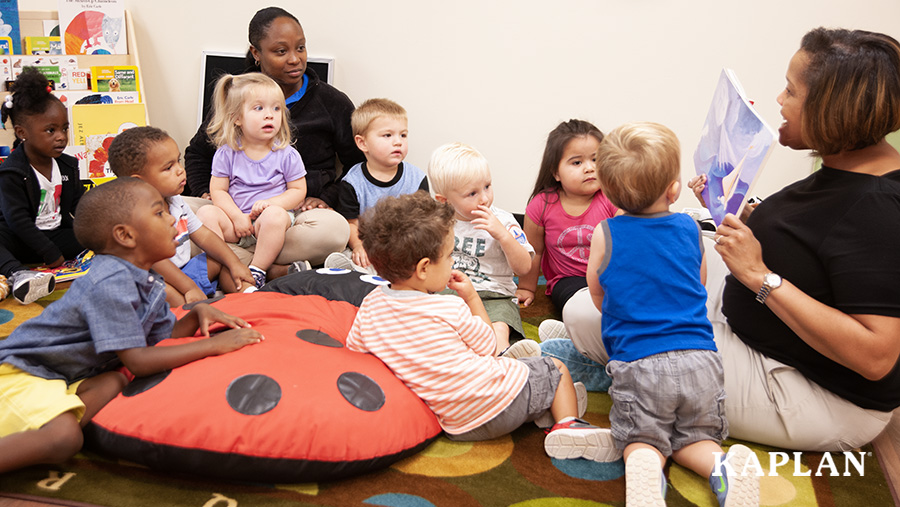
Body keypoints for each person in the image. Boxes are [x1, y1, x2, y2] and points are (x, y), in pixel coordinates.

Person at [564, 27, 900, 452]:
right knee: (670, 245)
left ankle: (640, 393)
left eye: (791, 91)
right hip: (761, 315)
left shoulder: (879, 207)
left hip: (812, 393)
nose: (779, 100)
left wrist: (760, 276)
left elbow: (876, 357)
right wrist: (732, 211)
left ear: (832, 109)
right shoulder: (853, 167)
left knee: (584, 311)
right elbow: (820, 243)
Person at [0, 177, 263, 474]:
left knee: (114, 382)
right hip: (22, 369)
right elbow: (138, 361)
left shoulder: (145, 280)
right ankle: (44, 431)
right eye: (159, 213)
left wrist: (195, 315)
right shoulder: (110, 282)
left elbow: (164, 335)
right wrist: (212, 345)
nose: (173, 219)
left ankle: (40, 424)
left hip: (62, 373)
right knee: (65, 438)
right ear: (125, 235)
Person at [345, 191, 619, 462]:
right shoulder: (449, 308)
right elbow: (488, 347)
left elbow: (354, 349)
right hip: (498, 403)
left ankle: (545, 409)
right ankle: (568, 425)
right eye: (450, 255)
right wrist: (472, 297)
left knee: (520, 371)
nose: (453, 262)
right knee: (554, 369)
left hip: (456, 424)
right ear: (424, 268)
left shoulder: (370, 305)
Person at [587, 121, 758, 505]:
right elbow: (696, 285)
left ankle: (646, 465)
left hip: (639, 363)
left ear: (608, 190)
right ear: (674, 188)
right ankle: (722, 467)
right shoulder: (689, 227)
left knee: (642, 438)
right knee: (696, 438)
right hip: (700, 359)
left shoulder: (605, 232)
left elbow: (598, 294)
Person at [184, 6, 363, 268]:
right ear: (257, 53)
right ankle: (271, 268)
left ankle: (227, 261)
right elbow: (198, 153)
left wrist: (327, 197)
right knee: (169, 211)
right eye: (281, 51)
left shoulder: (332, 102)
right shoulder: (236, 96)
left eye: (300, 48)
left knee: (336, 231)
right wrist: (207, 192)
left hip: (292, 216)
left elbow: (358, 164)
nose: (295, 59)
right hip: (232, 214)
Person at [108, 126, 256, 305]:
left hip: (185, 269)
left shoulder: (175, 201)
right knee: (161, 290)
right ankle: (192, 310)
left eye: (178, 161)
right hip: (158, 277)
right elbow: (157, 262)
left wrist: (234, 264)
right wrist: (189, 288)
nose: (180, 170)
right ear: (139, 182)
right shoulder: (135, 214)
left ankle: (249, 296)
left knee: (223, 259)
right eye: (169, 167)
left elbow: (204, 236)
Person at [195, 73, 307, 290]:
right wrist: (237, 217)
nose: (270, 116)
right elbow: (218, 191)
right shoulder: (226, 153)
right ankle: (221, 260)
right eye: (259, 109)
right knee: (205, 214)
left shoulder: (286, 154)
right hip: (236, 224)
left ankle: (257, 269)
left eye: (276, 109)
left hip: (269, 223)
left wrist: (272, 204)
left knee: (275, 216)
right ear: (237, 117)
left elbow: (298, 190)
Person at [428, 143, 534, 354]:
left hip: (494, 295)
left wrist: (503, 236)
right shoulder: (437, 222)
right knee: (436, 327)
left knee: (498, 330)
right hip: (449, 291)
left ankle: (503, 358)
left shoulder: (503, 221)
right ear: (444, 200)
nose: (484, 198)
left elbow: (524, 267)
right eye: (472, 194)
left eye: (487, 186)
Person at [515, 120, 618, 317]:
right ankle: (577, 330)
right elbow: (534, 251)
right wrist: (527, 288)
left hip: (608, 276)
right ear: (555, 172)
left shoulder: (613, 198)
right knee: (582, 309)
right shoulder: (541, 205)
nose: (589, 168)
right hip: (568, 280)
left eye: (596, 159)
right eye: (577, 162)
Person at [0, 68, 81, 304]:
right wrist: (50, 253)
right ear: (22, 132)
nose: (61, 137)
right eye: (50, 130)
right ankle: (18, 274)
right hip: (18, 238)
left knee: (97, 238)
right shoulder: (12, 173)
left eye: (64, 128)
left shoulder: (68, 166)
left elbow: (78, 204)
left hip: (54, 234)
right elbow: (17, 221)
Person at [328, 98, 428, 272]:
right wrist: (359, 246)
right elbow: (351, 224)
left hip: (405, 247)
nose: (398, 142)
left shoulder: (416, 178)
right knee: (352, 258)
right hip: (369, 248)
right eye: (387, 135)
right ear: (362, 143)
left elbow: (425, 221)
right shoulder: (352, 182)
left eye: (403, 135)